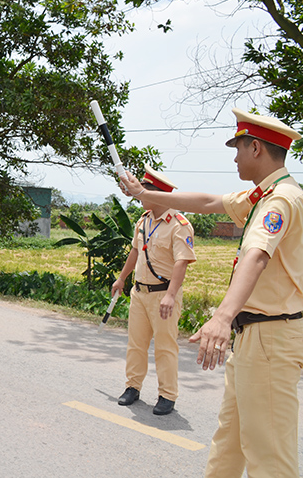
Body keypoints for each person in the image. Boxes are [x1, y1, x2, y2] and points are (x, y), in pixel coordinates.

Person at [120, 108, 303, 478]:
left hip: (271, 337)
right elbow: (207, 203)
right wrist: (145, 192)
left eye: (237, 148)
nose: (233, 157)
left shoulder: (280, 200)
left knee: (269, 458)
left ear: (255, 148)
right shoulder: (261, 195)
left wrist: (221, 316)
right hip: (254, 337)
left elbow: (256, 256)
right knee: (229, 445)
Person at [112, 165, 196, 416]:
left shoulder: (179, 224)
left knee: (165, 347)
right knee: (136, 344)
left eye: (144, 190)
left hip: (163, 295)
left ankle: (167, 395)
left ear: (157, 193)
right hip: (140, 293)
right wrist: (122, 278)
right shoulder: (144, 220)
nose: (140, 194)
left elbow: (182, 261)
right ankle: (132, 387)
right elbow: (135, 252)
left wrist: (171, 295)